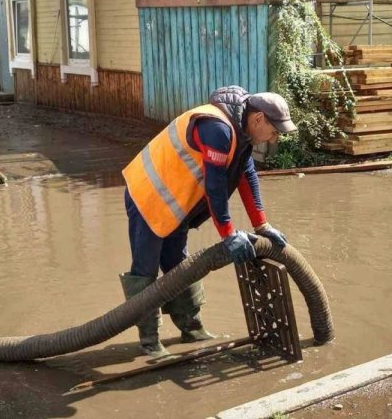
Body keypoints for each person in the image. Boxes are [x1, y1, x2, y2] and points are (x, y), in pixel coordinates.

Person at [120, 85, 297, 357]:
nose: (274, 138)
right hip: (149, 195)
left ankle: (191, 328)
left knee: (179, 264)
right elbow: (215, 186)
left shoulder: (242, 133)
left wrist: (262, 225)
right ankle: (150, 341)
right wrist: (228, 234)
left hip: (177, 200)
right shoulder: (218, 129)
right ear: (259, 118)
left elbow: (245, 174)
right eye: (274, 131)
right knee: (145, 268)